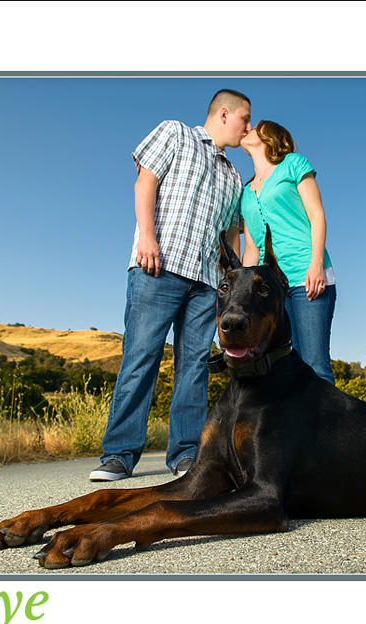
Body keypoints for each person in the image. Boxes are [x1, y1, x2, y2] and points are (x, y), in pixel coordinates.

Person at [89, 90, 252, 482]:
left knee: (194, 366)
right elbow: (146, 181)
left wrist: (228, 285)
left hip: (206, 283)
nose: (248, 128)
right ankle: (119, 455)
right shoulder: (176, 133)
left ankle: (185, 455)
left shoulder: (233, 175)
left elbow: (230, 234)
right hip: (159, 264)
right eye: (245, 119)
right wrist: (146, 236)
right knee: (141, 357)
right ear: (224, 113)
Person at [238, 119, 337, 384]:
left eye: (254, 126)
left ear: (270, 136)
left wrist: (316, 264)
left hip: (307, 273)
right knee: (283, 366)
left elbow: (317, 215)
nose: (246, 128)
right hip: (270, 288)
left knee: (314, 364)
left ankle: (326, 426)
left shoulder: (293, 165)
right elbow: (251, 248)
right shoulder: (245, 193)